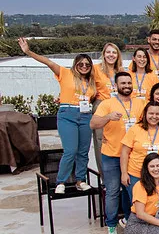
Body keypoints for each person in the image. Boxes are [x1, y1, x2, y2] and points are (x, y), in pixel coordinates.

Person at [18, 38, 100, 194]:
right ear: (75, 65)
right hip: (67, 114)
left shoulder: (92, 81)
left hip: (85, 116)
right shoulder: (65, 73)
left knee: (83, 151)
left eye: (87, 65)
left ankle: (80, 180)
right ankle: (61, 181)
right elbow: (47, 62)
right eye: (80, 64)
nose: (84, 67)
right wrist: (28, 52)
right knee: (70, 150)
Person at [91, 72, 145, 234]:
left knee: (133, 191)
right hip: (112, 155)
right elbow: (93, 124)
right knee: (113, 191)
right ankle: (112, 227)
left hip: (133, 156)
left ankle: (130, 221)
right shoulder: (107, 104)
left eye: (129, 82)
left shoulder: (140, 103)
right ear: (116, 86)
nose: (127, 85)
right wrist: (108, 118)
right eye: (123, 83)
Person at [120, 102, 159, 209]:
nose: (154, 117)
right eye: (151, 113)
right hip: (136, 175)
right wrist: (124, 173)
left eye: (157, 114)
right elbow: (125, 152)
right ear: (145, 114)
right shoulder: (135, 129)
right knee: (138, 207)